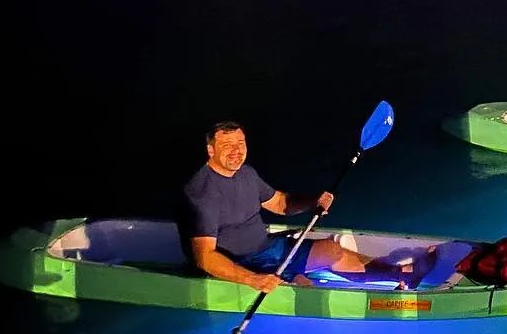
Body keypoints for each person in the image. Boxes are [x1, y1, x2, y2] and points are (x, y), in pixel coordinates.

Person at [182, 121, 437, 293]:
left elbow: (281, 204)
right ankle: (401, 277)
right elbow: (205, 257)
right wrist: (254, 280)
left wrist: (312, 201)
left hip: (267, 248)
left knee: (332, 250)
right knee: (325, 261)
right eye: (227, 146)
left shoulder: (246, 174)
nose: (236, 152)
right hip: (245, 263)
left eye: (241, 144)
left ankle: (398, 273)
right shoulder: (203, 193)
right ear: (210, 150)